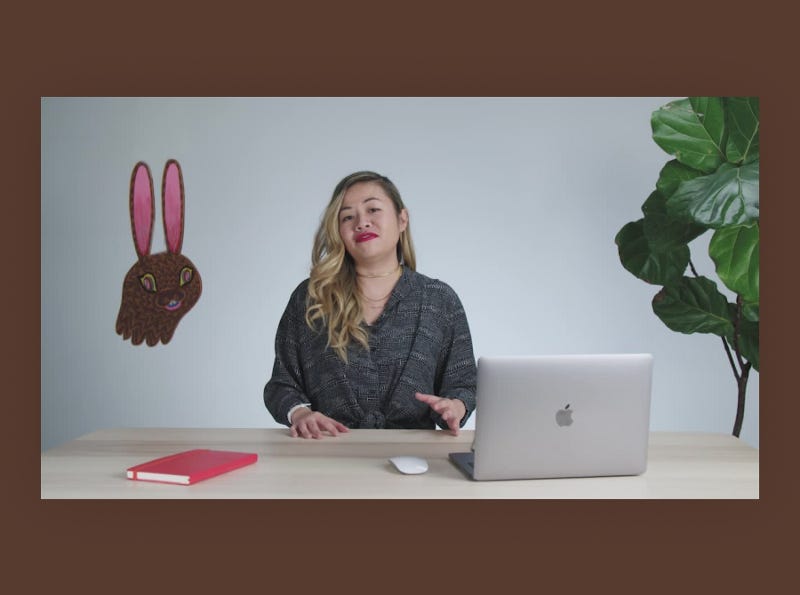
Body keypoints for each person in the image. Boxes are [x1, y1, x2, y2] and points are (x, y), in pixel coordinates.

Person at [263, 171, 477, 439]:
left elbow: (465, 384)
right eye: (347, 217)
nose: (361, 223)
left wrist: (455, 406)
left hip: (415, 460)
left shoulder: (439, 299)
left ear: (402, 219)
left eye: (373, 209)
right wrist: (300, 413)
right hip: (325, 456)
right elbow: (281, 385)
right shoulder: (311, 298)